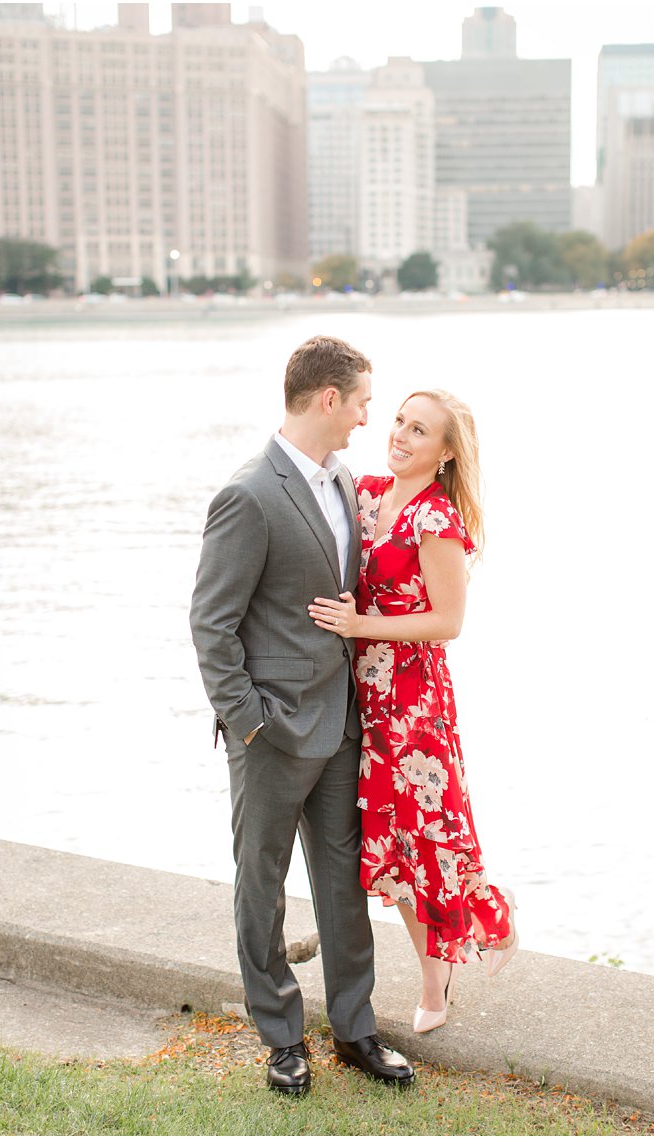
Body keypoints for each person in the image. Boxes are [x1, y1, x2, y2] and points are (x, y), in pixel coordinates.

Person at [190, 334, 415, 1095]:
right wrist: (249, 720)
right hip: (272, 734)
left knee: (343, 883)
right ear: (328, 398)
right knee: (261, 882)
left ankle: (356, 1028)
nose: (364, 417)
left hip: (341, 723)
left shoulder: (346, 481)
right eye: (360, 403)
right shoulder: (249, 494)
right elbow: (210, 623)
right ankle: (282, 1036)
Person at [307, 389, 517, 1034]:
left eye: (418, 430)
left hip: (414, 703)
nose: (398, 434)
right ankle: (465, 939)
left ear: (446, 453)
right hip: (361, 697)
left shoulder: (436, 520)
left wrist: (361, 623)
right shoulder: (365, 492)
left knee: (426, 836)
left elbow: (448, 621)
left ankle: (441, 971)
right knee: (389, 845)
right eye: (398, 420)